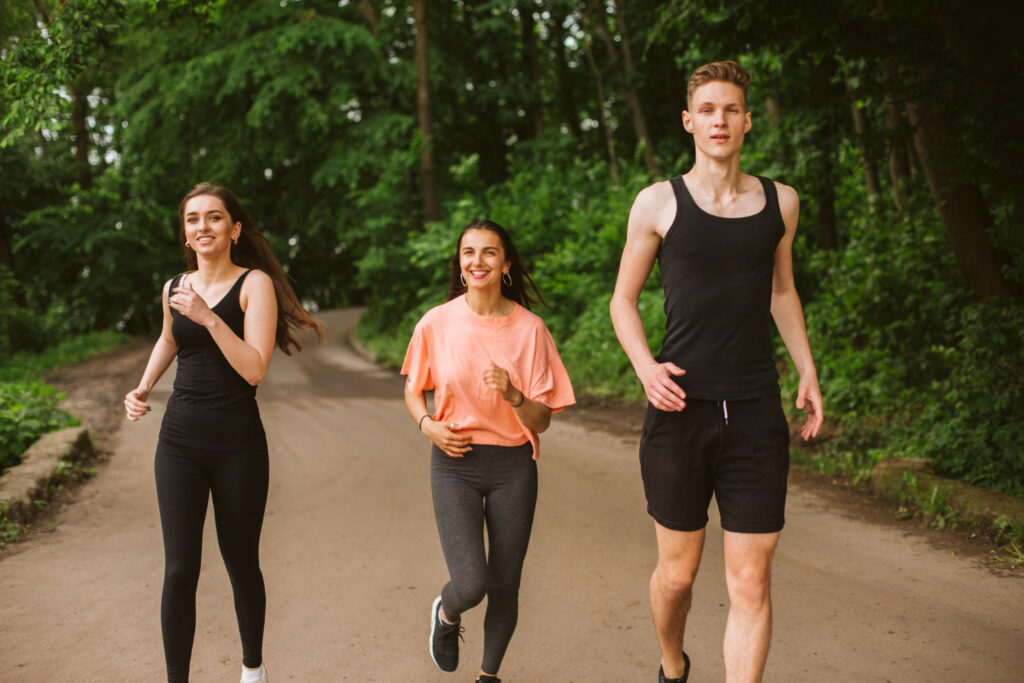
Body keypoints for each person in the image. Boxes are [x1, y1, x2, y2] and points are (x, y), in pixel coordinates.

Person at [609, 61, 823, 683]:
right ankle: (673, 665)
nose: (720, 120)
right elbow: (623, 300)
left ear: (748, 120)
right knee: (676, 575)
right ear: (688, 121)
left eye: (731, 109)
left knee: (750, 581)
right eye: (708, 110)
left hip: (756, 411)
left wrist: (807, 369)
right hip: (681, 409)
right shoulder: (657, 203)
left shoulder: (781, 202)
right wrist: (646, 367)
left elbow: (782, 293)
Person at [124, 182, 324, 683]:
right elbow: (169, 337)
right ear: (185, 236)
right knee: (179, 569)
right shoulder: (175, 287)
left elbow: (254, 369)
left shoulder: (254, 284)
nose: (203, 227)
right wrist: (143, 386)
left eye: (214, 218)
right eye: (193, 220)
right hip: (179, 443)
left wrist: (210, 317)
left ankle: (252, 669)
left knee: (240, 561)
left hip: (238, 445)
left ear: (234, 230)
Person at [402, 219, 575, 683]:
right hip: (454, 461)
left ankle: (488, 676)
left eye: (489, 252)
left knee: (504, 584)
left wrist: (515, 395)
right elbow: (414, 390)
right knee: (473, 583)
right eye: (469, 253)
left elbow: (543, 420)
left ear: (506, 264)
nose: (478, 261)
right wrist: (427, 425)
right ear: (459, 264)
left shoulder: (531, 330)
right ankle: (447, 612)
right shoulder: (437, 323)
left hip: (513, 465)